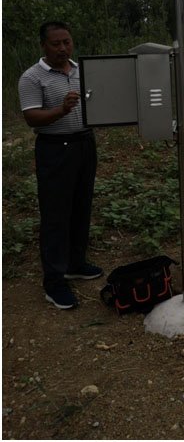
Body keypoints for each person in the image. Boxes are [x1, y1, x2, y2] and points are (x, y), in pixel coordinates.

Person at [18, 21, 103, 309]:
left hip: (85, 145)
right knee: (55, 215)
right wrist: (61, 110)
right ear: (44, 45)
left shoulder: (82, 71)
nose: (63, 48)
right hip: (55, 149)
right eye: (56, 44)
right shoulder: (32, 77)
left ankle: (75, 264)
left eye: (67, 42)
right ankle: (54, 283)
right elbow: (31, 117)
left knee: (81, 206)